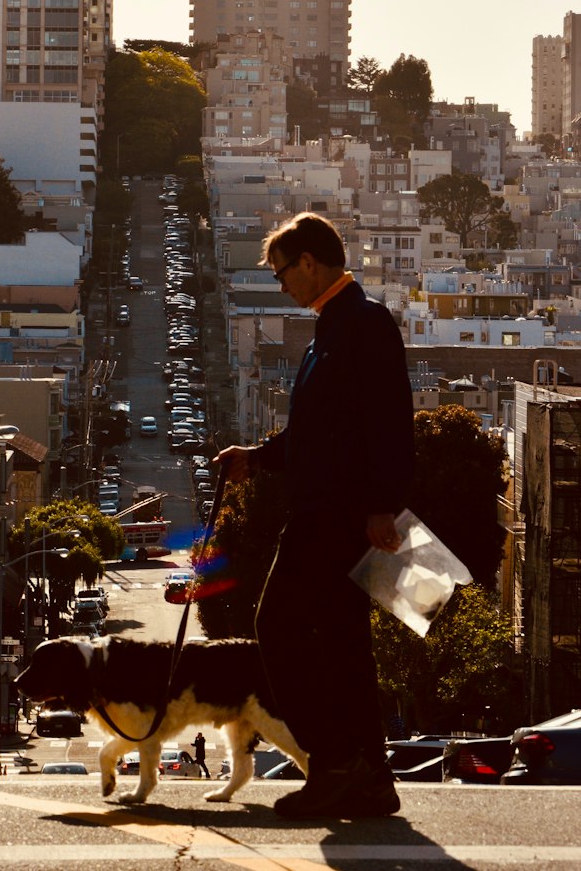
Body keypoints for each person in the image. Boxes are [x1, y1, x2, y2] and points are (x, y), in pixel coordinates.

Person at [217, 212, 414, 820]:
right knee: (345, 648)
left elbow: (389, 420)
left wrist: (384, 505)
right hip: (328, 514)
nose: (281, 286)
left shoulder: (363, 322)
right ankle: (370, 776)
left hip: (336, 520)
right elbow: (314, 435)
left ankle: (333, 764)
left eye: (282, 273)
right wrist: (257, 458)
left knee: (276, 627)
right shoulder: (334, 326)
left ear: (310, 263)